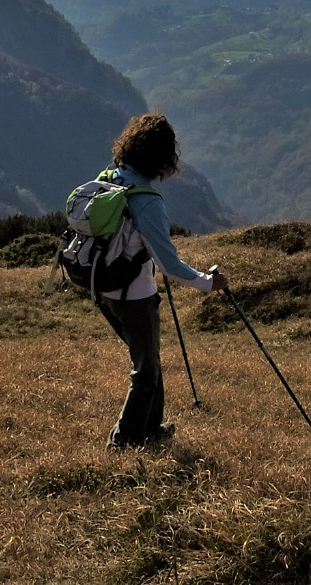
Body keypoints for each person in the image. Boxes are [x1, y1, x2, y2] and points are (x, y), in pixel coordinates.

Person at [96, 112, 227, 450]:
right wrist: (208, 283)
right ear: (161, 158)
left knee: (148, 360)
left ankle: (151, 428)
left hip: (105, 288)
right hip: (134, 295)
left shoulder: (111, 178)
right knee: (145, 371)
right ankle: (122, 442)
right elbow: (168, 264)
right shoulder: (146, 201)